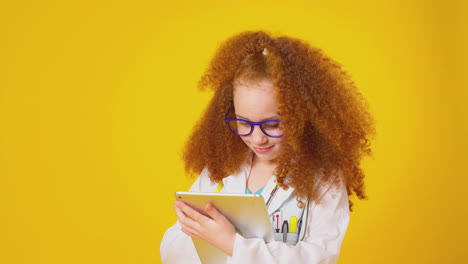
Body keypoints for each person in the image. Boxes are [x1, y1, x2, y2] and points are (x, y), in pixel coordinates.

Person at [160, 31, 375, 263]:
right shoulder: (222, 168)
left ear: (300, 116)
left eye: (272, 125)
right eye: (243, 123)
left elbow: (320, 257)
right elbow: (171, 251)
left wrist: (232, 244)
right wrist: (191, 227)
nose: (258, 138)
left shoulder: (325, 179)